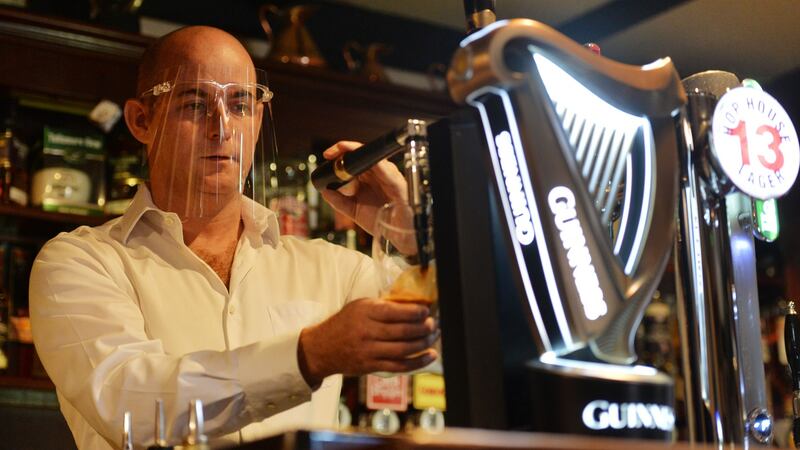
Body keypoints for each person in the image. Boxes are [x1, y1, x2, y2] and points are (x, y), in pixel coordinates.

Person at [29, 25, 438, 449]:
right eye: (194, 104)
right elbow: (130, 405)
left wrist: (410, 236)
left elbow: (451, 343)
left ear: (258, 120)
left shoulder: (334, 268)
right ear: (141, 120)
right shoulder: (79, 262)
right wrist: (309, 354)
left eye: (240, 104)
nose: (222, 128)